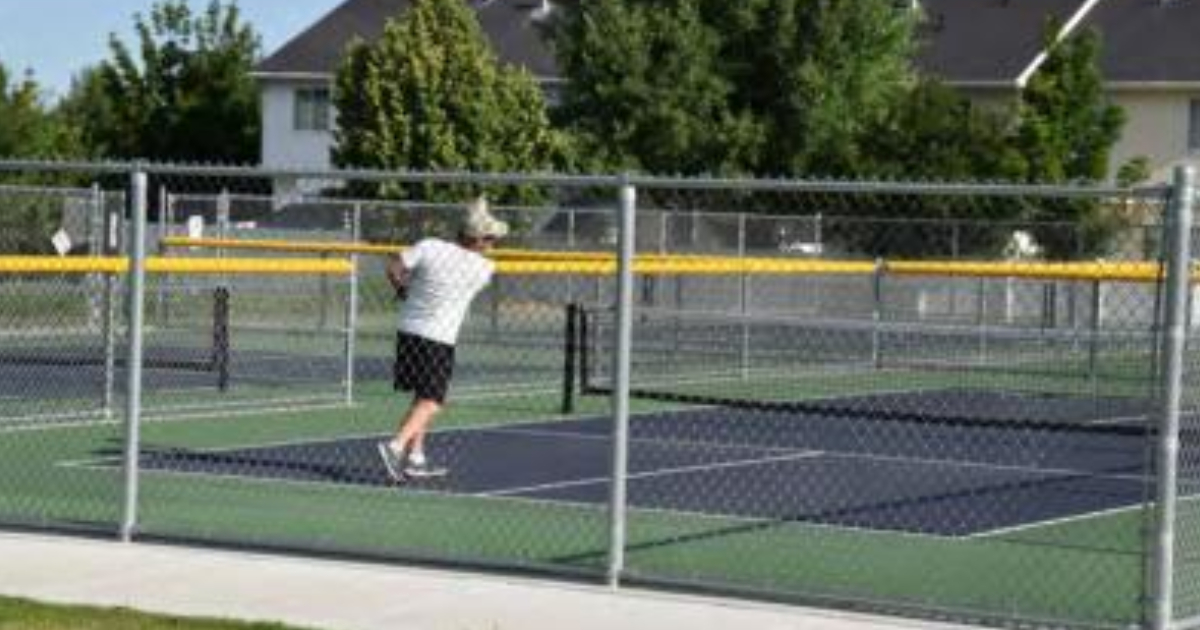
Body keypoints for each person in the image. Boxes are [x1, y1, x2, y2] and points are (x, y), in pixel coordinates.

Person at [377, 196, 508, 481]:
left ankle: (416, 457)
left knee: (422, 395)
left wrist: (402, 290)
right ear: (478, 240)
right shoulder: (484, 269)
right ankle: (395, 446)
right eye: (489, 239)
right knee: (433, 401)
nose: (492, 244)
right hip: (438, 338)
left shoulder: (429, 245)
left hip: (409, 330)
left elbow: (393, 268)